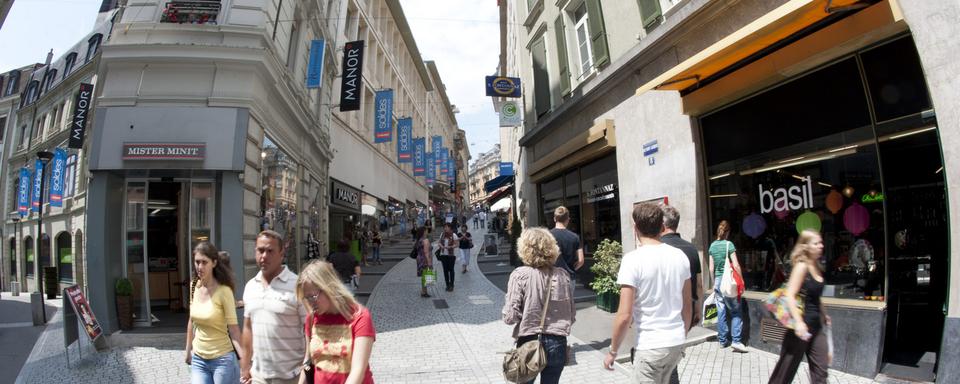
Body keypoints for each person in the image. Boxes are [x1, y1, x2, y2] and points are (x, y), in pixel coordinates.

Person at [603, 202, 692, 384]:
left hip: (650, 345)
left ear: (635, 228)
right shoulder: (680, 256)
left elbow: (624, 315)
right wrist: (680, 335)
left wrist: (613, 351)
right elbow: (687, 305)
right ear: (662, 226)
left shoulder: (632, 260)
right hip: (675, 342)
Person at [502, 227, 576, 384]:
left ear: (524, 248)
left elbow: (510, 317)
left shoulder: (520, 275)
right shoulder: (563, 275)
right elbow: (572, 315)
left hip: (529, 342)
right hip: (558, 343)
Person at [240, 230, 307, 384]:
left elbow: (310, 330)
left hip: (292, 377)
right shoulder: (250, 286)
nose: (264, 256)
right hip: (258, 377)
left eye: (270, 251)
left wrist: (306, 371)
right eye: (260, 250)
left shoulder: (297, 285)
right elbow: (248, 328)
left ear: (281, 253)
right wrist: (245, 365)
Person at [296, 261, 376, 384]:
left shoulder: (359, 316)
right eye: (306, 298)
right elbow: (307, 363)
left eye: (313, 296)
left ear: (328, 288)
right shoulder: (311, 319)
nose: (310, 303)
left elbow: (358, 370)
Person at [768, 230, 831, 384]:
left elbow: (815, 295)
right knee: (784, 373)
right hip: (800, 329)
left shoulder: (817, 266)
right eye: (816, 243)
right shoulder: (802, 266)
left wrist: (824, 313)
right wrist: (799, 322)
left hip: (817, 327)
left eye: (821, 242)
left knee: (821, 373)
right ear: (806, 246)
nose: (820, 246)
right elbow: (790, 294)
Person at [185, 242, 244, 384]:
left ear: (214, 263)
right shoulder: (194, 286)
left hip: (222, 360)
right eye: (197, 262)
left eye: (204, 262)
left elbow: (234, 331)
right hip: (199, 359)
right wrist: (188, 351)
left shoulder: (224, 291)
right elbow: (191, 321)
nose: (199, 267)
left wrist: (245, 363)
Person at [708, 220, 748, 352]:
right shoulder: (729, 244)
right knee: (736, 311)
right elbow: (735, 265)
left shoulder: (712, 246)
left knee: (721, 311)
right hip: (729, 282)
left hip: (718, 282)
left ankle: (722, 340)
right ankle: (736, 341)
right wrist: (741, 279)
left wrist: (714, 283)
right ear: (728, 232)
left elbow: (711, 268)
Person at [550, 206, 584, 296]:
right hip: (569, 277)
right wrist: (572, 269)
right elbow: (581, 260)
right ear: (568, 219)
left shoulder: (547, 236)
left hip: (551, 277)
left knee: (552, 307)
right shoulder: (575, 237)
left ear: (554, 219)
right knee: (568, 307)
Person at [438, 223, 460, 292]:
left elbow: (457, 244)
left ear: (450, 228)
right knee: (445, 270)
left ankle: (452, 284)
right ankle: (447, 284)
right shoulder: (442, 235)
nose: (445, 228)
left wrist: (450, 247)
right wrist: (441, 246)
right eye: (444, 227)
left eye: (446, 227)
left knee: (451, 270)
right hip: (443, 255)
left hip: (451, 255)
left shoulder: (454, 235)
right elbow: (439, 242)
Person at [414, 227, 434, 298]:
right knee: (426, 276)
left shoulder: (419, 240)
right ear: (423, 232)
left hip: (420, 259)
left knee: (423, 276)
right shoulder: (425, 240)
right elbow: (426, 252)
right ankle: (424, 292)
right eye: (426, 231)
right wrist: (429, 263)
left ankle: (424, 291)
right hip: (425, 260)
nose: (427, 232)